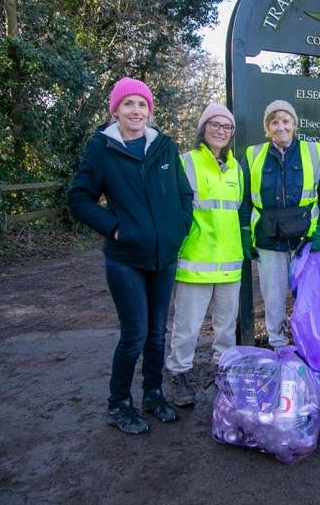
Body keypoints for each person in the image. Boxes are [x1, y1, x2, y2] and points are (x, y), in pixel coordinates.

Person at [68, 77, 193, 434]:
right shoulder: (102, 149)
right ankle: (119, 404)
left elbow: (184, 194)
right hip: (125, 259)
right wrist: (116, 229)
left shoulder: (164, 147)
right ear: (115, 110)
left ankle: (153, 395)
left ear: (149, 111)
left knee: (157, 333)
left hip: (164, 257)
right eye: (128, 104)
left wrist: (178, 228)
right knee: (135, 333)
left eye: (142, 104)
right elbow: (79, 199)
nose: (136, 110)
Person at [165, 104, 245, 407]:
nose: (221, 131)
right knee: (187, 328)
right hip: (195, 262)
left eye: (227, 127)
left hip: (229, 264)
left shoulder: (236, 168)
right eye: (215, 125)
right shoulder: (186, 162)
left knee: (226, 329)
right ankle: (179, 374)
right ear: (203, 128)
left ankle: (222, 373)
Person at [240, 100, 320, 349]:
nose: (280, 126)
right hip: (268, 239)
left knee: (308, 297)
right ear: (267, 128)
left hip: (306, 240)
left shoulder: (313, 152)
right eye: (274, 122)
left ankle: (310, 344)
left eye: (285, 120)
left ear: (294, 124)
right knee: (273, 299)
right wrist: (244, 232)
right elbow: (244, 200)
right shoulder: (252, 156)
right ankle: (279, 346)